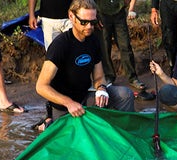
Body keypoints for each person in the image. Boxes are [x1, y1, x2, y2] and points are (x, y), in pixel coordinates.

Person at [34, 0, 135, 130]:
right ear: (71, 16)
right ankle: (49, 121)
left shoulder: (93, 40)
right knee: (72, 137)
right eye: (84, 22)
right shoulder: (60, 45)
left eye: (92, 22)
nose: (89, 27)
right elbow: (41, 86)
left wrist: (102, 89)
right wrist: (69, 103)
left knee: (125, 94)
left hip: (84, 96)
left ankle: (125, 133)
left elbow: (99, 78)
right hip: (64, 105)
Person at [95, 0, 146, 90]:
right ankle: (108, 77)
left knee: (125, 46)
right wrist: (95, 15)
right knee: (104, 48)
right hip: (102, 14)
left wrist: (130, 7)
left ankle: (132, 77)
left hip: (119, 12)